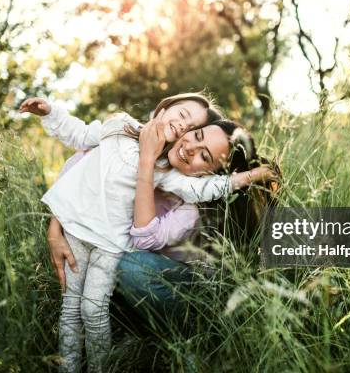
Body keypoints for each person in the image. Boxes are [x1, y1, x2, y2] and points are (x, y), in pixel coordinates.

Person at [20, 94, 274, 373]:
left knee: (126, 266)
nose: (191, 149)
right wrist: (55, 230)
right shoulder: (130, 139)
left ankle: (184, 339)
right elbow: (83, 165)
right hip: (114, 259)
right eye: (195, 135)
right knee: (80, 299)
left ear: (211, 174)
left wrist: (148, 162)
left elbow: (143, 239)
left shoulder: (187, 203)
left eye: (205, 156)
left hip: (177, 289)